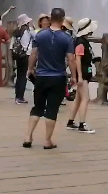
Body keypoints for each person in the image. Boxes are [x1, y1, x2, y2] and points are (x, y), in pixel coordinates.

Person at [22, 8, 76, 150]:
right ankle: (47, 141)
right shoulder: (67, 38)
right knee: (52, 109)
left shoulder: (40, 35)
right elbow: (71, 59)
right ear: (63, 19)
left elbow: (33, 54)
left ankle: (28, 137)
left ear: (51, 18)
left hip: (41, 76)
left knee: (37, 107)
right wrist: (74, 76)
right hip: (58, 77)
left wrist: (30, 68)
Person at [64, 17, 98, 134]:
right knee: (85, 99)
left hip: (83, 73)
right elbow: (77, 59)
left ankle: (71, 121)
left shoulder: (82, 40)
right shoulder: (80, 42)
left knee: (78, 99)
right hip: (82, 73)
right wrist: (79, 76)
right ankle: (82, 124)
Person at [11, 14, 33, 105]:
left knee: (19, 75)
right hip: (25, 55)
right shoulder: (27, 30)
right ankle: (20, 97)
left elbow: (12, 44)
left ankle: (17, 96)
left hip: (18, 55)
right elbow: (26, 44)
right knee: (23, 76)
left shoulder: (16, 30)